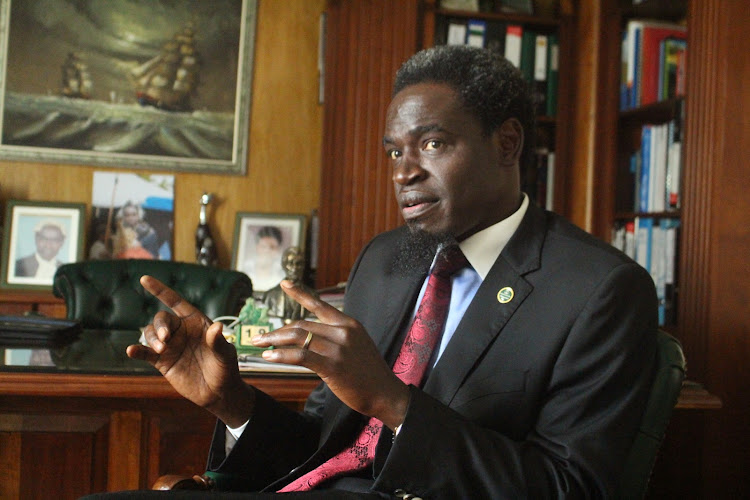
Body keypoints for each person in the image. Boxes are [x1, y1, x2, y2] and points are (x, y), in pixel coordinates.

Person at [113, 45, 657, 499]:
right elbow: (326, 447)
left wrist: (393, 403)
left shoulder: (599, 291)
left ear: (507, 143)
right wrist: (231, 401)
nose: (405, 172)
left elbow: (571, 487)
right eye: (394, 152)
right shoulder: (385, 259)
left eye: (433, 143)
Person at [262, 246, 318, 323]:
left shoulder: (313, 295)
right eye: (290, 263)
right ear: (284, 265)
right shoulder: (270, 296)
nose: (294, 268)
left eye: (299, 264)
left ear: (303, 266)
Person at [241, 226, 287, 292]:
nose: (267, 250)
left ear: (278, 249)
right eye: (263, 246)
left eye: (272, 247)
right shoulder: (245, 267)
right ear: (257, 247)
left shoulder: (283, 271)